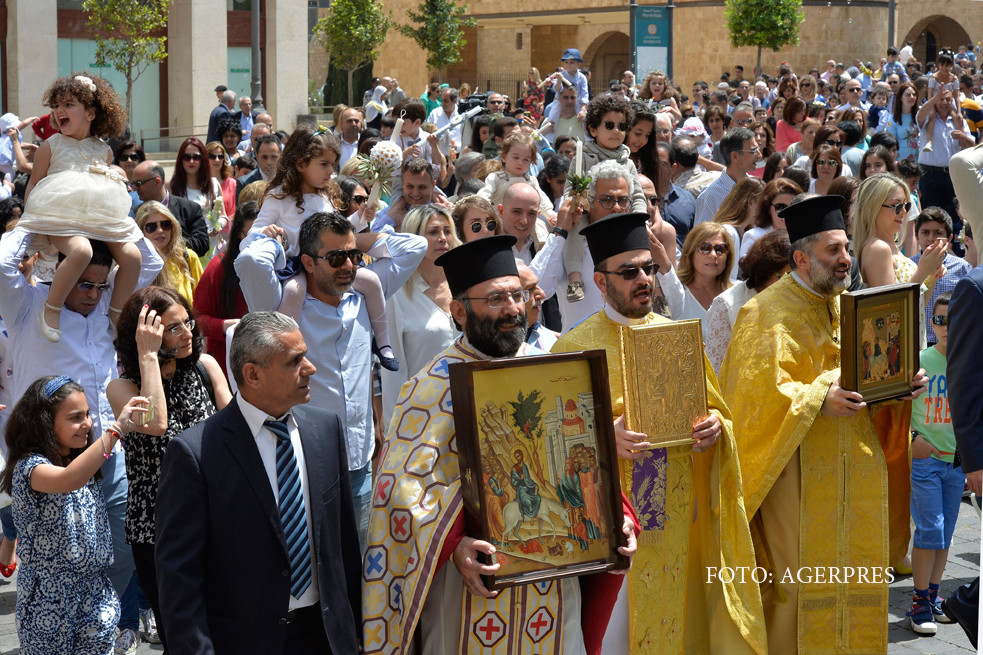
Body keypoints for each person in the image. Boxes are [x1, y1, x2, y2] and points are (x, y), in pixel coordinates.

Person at [363, 234, 639, 655]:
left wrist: (616, 520)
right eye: (495, 300)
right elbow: (399, 494)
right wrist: (455, 547)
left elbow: (585, 468)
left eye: (518, 296)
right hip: (471, 587)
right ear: (459, 312)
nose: (513, 310)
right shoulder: (430, 389)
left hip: (552, 581)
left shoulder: (551, 373)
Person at [719, 195, 929, 654]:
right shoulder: (765, 314)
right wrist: (819, 399)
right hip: (792, 476)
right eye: (834, 251)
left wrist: (897, 385)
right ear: (801, 257)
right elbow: (752, 401)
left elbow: (867, 376)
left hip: (852, 470)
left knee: (859, 584)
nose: (845, 261)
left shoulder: (845, 306)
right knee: (796, 588)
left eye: (846, 250)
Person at [551, 212, 766, 654]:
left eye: (649, 268)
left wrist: (714, 429)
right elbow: (548, 444)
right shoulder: (573, 348)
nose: (644, 279)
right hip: (611, 522)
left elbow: (719, 412)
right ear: (600, 280)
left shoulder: (678, 337)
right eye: (629, 272)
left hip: (674, 515)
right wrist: (603, 439)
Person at [155, 311, 361, 653]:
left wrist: (355, 629)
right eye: (294, 361)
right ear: (252, 374)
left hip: (325, 638)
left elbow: (344, 546)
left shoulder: (326, 429)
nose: (310, 369)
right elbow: (179, 578)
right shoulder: (196, 453)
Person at [236, 211, 426, 550]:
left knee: (358, 568)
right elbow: (250, 261)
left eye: (354, 256)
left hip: (358, 466)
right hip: (302, 467)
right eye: (336, 258)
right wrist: (275, 242)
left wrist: (360, 236)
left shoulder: (366, 291)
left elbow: (414, 246)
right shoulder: (280, 302)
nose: (349, 266)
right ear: (307, 262)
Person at [107, 287, 231, 651]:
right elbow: (157, 423)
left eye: (187, 323)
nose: (188, 333)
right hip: (159, 528)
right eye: (173, 328)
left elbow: (237, 434)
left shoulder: (206, 368)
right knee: (181, 634)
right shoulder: (121, 387)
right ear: (147, 335)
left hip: (213, 516)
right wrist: (148, 357)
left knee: (223, 623)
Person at [1, 375, 148, 655]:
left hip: (94, 596)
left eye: (88, 414)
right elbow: (69, 479)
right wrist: (116, 429)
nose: (88, 424)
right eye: (75, 417)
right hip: (48, 603)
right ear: (44, 422)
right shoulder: (30, 468)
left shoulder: (81, 461)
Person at [250, 125, 400, 371]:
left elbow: (338, 232)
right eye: (324, 164)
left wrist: (360, 218)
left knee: (371, 280)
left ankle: (383, 344)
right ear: (300, 164)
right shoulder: (278, 197)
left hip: (334, 263)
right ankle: (289, 353)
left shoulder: (327, 195)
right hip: (300, 265)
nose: (331, 172)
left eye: (333, 164)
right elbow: (253, 232)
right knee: (294, 292)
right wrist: (263, 233)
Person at [18, 74, 143, 342]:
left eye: (69, 104)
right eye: (57, 105)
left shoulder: (105, 151)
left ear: (91, 113)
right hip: (59, 218)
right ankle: (51, 308)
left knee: (133, 257)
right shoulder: (50, 146)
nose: (60, 111)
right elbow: (34, 185)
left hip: (99, 219)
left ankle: (117, 313)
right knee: (81, 251)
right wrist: (29, 221)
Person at [906, 291, 963, 635]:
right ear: (931, 323)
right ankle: (918, 602)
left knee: (946, 534)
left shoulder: (970, 363)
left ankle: (933, 595)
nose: (946, 327)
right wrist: (914, 440)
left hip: (956, 462)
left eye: (953, 320)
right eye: (940, 320)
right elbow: (897, 407)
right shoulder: (920, 361)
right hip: (926, 462)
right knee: (930, 530)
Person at [560, 94, 647, 303]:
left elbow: (637, 195)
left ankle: (653, 288)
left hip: (622, 217)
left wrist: (638, 218)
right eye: (609, 125)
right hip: (589, 216)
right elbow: (569, 189)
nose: (616, 131)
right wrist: (578, 202)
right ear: (593, 129)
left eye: (622, 126)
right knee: (575, 227)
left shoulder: (628, 162)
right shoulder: (583, 156)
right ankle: (575, 280)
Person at [380, 204, 461, 427]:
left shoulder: (466, 285)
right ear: (413, 240)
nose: (443, 238)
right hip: (422, 419)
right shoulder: (396, 294)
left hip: (469, 409)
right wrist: (394, 430)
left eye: (447, 231)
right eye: (433, 232)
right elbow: (393, 371)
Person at [942, 255, 983, 647]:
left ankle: (970, 602)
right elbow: (963, 378)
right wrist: (975, 460)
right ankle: (972, 604)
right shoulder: (975, 287)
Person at [705, 230, 791, 373]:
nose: (793, 284)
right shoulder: (727, 305)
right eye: (786, 277)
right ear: (766, 270)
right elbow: (716, 372)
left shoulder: (800, 299)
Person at [193, 200, 255, 378]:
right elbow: (198, 318)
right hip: (228, 365)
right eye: (250, 234)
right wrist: (224, 326)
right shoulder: (219, 267)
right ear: (239, 235)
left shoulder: (284, 266)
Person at [658, 221, 734, 340]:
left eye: (720, 249)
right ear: (690, 253)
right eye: (704, 248)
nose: (713, 255)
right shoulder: (677, 292)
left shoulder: (736, 293)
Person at [910, 207, 973, 345]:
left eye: (938, 233)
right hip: (919, 341)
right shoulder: (910, 266)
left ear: (949, 238)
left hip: (952, 342)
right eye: (925, 232)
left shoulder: (962, 267)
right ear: (916, 236)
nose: (931, 238)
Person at [131, 159, 211, 257]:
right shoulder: (134, 213)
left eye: (138, 183)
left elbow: (202, 244)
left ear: (157, 181)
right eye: (151, 227)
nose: (134, 188)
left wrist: (168, 243)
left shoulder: (190, 209)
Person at [136, 201, 203, 305]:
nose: (160, 230)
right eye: (151, 227)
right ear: (141, 231)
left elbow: (202, 304)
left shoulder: (188, 257)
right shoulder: (134, 263)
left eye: (165, 225)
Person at [695, 127, 758, 224]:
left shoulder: (757, 186)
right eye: (753, 151)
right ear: (735, 156)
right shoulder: (710, 196)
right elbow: (701, 236)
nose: (759, 155)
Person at [739, 177, 801, 258]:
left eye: (792, 207)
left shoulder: (803, 237)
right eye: (780, 207)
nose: (787, 213)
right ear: (768, 208)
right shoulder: (754, 237)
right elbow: (747, 269)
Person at [206, 140, 236, 235]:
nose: (217, 160)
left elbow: (236, 210)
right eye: (212, 156)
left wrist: (220, 224)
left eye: (220, 156)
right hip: (205, 233)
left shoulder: (232, 183)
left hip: (227, 234)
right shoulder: (199, 183)